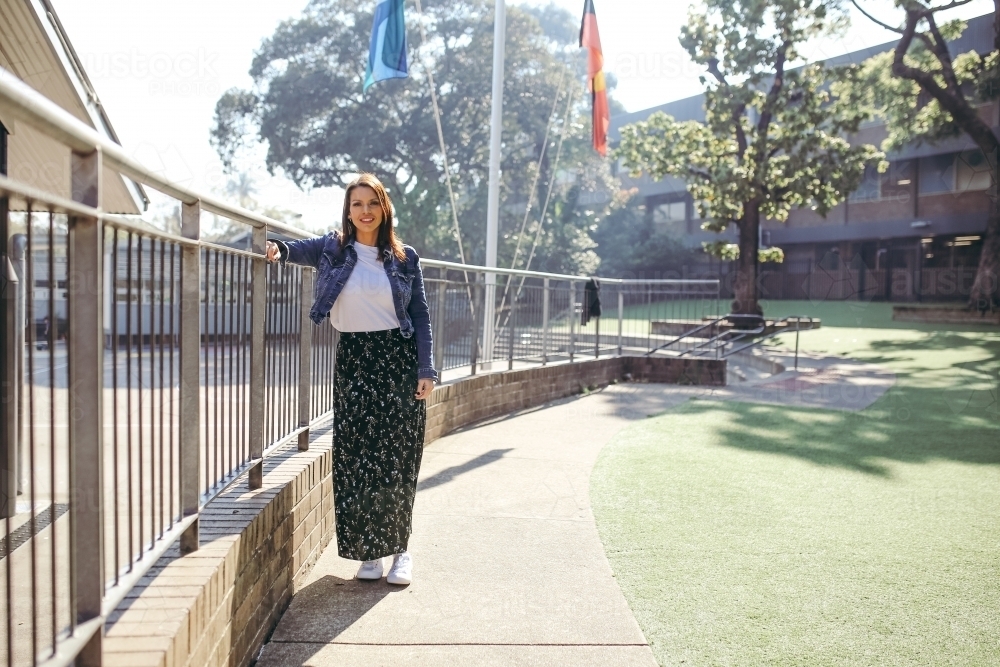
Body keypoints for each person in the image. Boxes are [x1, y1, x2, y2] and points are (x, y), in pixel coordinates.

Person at [266, 173, 436, 586]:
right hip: (355, 360)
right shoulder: (333, 249)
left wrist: (426, 368)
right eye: (356, 204)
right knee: (357, 456)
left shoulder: (404, 257)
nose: (364, 211)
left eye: (372, 203)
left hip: (397, 358)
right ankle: (368, 552)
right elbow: (293, 249)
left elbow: (419, 315)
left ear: (384, 209)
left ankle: (400, 552)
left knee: (397, 457)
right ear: (348, 210)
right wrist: (276, 248)